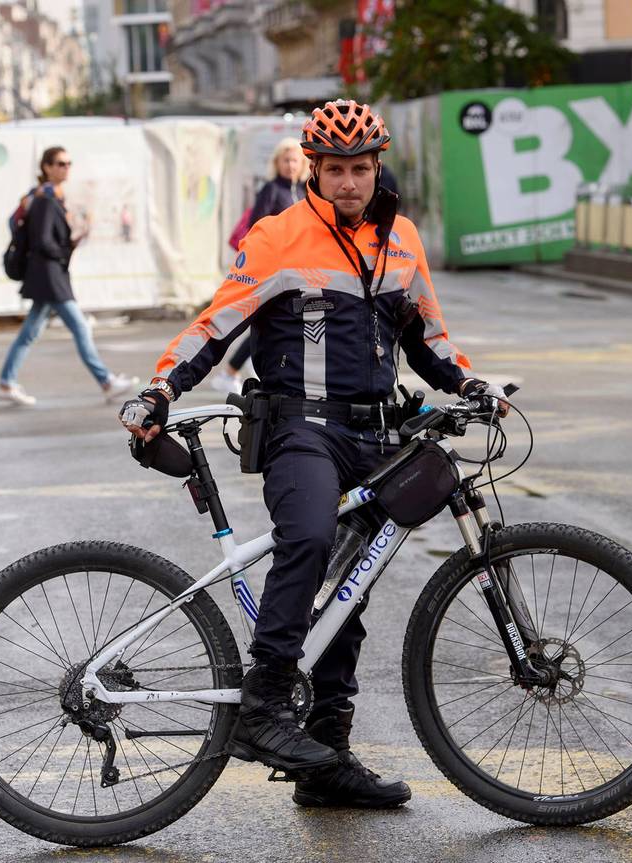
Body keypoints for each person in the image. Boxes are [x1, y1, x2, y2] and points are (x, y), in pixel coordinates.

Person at [119, 99, 506, 809]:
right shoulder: (279, 237)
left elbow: (427, 338)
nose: (350, 182)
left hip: (375, 433)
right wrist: (161, 390)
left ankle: (326, 759)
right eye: (336, 169)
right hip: (301, 430)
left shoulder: (402, 241)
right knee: (308, 535)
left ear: (376, 168)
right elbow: (215, 327)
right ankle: (264, 709)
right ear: (314, 170)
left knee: (348, 594)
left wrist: (470, 381)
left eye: (361, 168)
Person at [0, 146, 137, 406]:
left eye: (68, 163)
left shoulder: (52, 198)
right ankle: (106, 381)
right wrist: (66, 247)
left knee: (30, 333)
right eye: (60, 163)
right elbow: (43, 241)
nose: (66, 168)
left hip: (47, 276)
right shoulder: (45, 199)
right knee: (80, 327)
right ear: (47, 167)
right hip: (50, 277)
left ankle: (6, 381)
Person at [210, 138, 310, 395]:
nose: (290, 165)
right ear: (277, 163)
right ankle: (232, 370)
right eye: (285, 160)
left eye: (295, 160)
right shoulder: (271, 190)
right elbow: (258, 230)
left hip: (300, 271)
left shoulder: (306, 190)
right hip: (274, 270)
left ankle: (236, 370)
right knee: (264, 321)